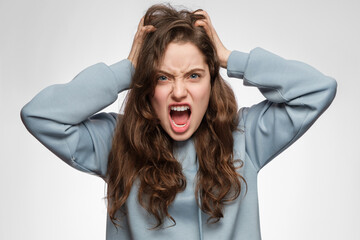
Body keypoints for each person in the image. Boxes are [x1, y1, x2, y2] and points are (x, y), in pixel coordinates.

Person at [21, 4, 337, 240]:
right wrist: (126, 70)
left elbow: (316, 89)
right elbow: (41, 115)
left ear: (211, 82)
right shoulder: (116, 141)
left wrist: (228, 57)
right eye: (163, 77)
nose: (179, 91)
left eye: (194, 75)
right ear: (148, 85)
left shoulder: (246, 138)